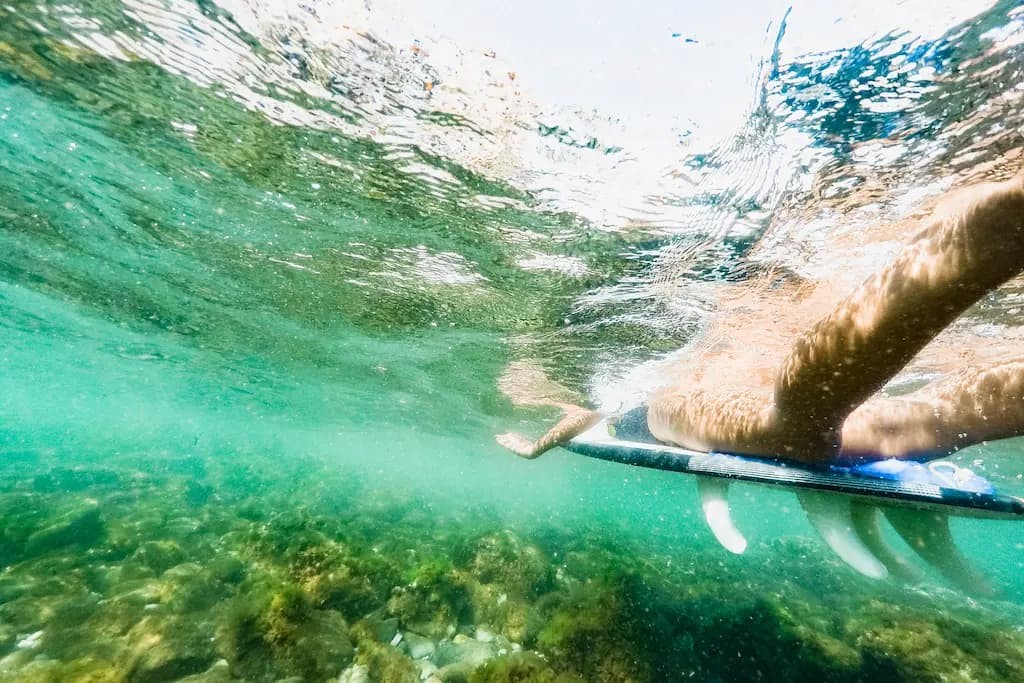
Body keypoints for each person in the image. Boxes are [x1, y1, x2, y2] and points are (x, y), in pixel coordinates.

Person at [497, 171, 1024, 465]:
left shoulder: (631, 391)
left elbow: (580, 419)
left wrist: (533, 448)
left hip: (665, 412)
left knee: (795, 432)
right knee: (936, 418)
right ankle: (974, 244)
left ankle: (958, 247)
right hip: (697, 404)